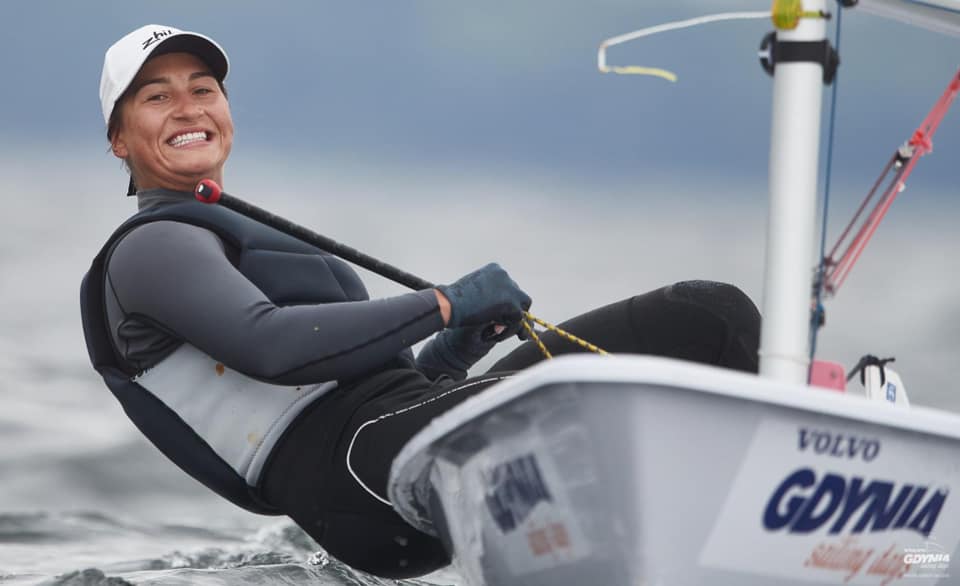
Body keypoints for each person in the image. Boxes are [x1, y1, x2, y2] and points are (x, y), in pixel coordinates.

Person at [80, 24, 762, 579]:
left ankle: (767, 514)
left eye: (203, 89)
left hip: (397, 437)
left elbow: (383, 389)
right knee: (591, 399)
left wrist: (451, 352)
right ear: (119, 140)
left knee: (707, 314)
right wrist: (443, 303)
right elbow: (271, 347)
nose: (189, 108)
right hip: (354, 480)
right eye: (157, 97)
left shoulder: (224, 227)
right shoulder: (150, 248)